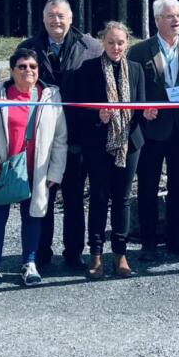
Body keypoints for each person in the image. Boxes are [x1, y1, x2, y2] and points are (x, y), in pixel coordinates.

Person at [0, 48, 68, 289]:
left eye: (33, 67)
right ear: (12, 70)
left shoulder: (50, 95)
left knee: (32, 216)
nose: (28, 71)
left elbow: (60, 138)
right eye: (22, 66)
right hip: (2, 168)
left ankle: (29, 263)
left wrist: (55, 172)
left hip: (37, 168)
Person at [15, 0, 100, 269]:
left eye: (61, 15)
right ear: (43, 19)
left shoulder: (91, 47)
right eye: (51, 15)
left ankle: (74, 252)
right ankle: (40, 252)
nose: (56, 20)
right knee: (42, 196)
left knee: (75, 197)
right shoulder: (28, 48)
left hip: (79, 134)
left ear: (71, 18)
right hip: (40, 136)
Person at [68, 21, 149, 279]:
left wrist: (147, 113)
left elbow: (141, 106)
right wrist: (97, 118)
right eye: (111, 42)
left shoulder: (136, 69)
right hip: (98, 144)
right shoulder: (88, 69)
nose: (116, 47)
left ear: (128, 43)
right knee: (99, 198)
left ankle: (120, 254)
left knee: (123, 199)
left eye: (121, 42)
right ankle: (96, 254)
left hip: (130, 143)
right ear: (103, 42)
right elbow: (79, 110)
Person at [126, 0, 179, 260]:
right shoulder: (138, 51)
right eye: (170, 16)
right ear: (157, 20)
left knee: (178, 187)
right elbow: (131, 90)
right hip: (152, 131)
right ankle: (148, 242)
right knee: (147, 187)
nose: (176, 20)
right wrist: (140, 109)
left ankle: (175, 239)